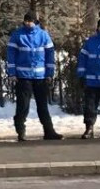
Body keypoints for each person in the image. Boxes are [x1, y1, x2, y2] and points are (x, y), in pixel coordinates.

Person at [6, 12, 64, 141]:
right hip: (23, 76)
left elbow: (50, 55)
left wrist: (49, 73)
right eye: (26, 21)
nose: (27, 23)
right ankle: (20, 130)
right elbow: (11, 55)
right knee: (23, 105)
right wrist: (12, 73)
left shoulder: (43, 35)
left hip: (40, 76)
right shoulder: (17, 35)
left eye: (30, 21)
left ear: (36, 21)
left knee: (42, 105)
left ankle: (49, 131)